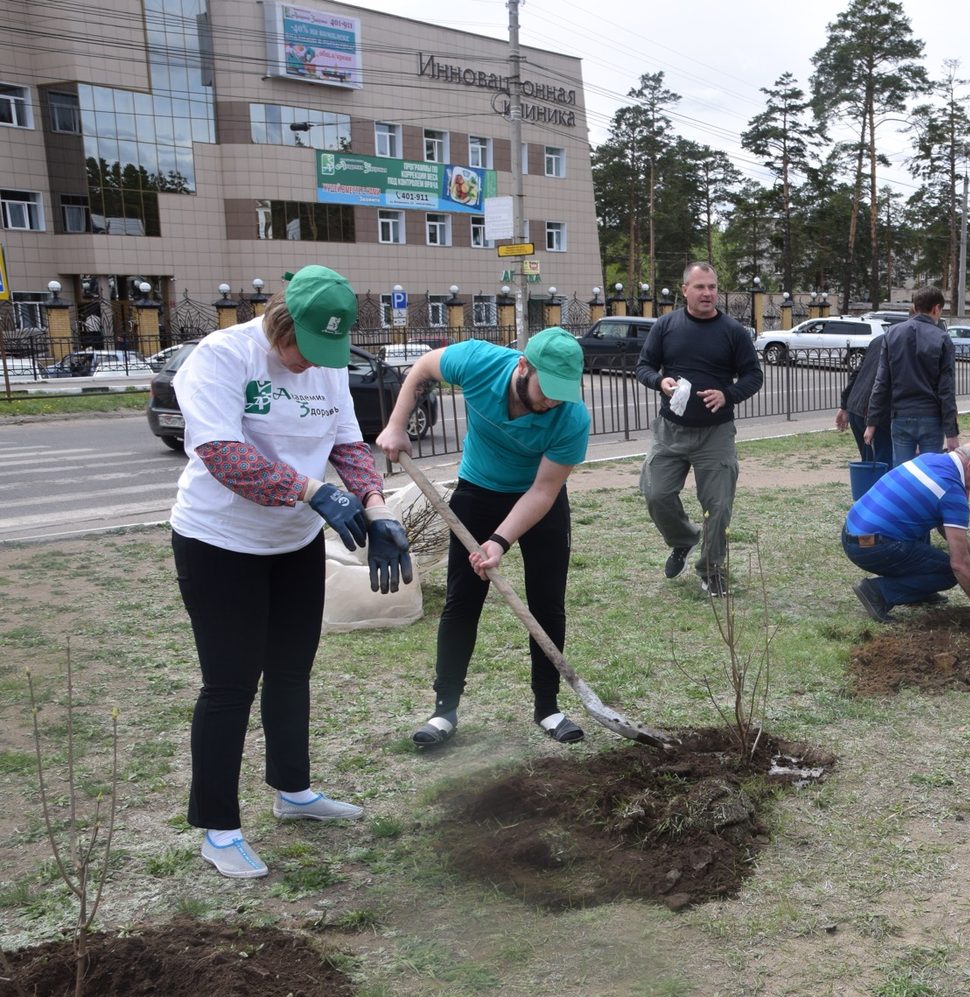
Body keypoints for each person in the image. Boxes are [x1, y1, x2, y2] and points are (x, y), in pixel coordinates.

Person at [169, 264, 414, 880]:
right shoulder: (223, 358)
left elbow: (348, 446)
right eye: (303, 348)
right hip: (220, 542)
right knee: (229, 685)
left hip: (293, 542)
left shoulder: (326, 364)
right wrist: (312, 492)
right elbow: (224, 455)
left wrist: (378, 511)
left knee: (290, 672)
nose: (311, 363)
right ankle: (219, 829)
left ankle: (293, 791)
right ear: (281, 321)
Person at [377, 327, 590, 749]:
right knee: (462, 600)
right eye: (547, 390)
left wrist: (500, 540)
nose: (551, 402)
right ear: (523, 366)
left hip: (537, 499)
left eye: (562, 394)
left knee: (547, 602)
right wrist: (397, 425)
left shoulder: (572, 417)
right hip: (479, 489)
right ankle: (444, 710)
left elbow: (544, 491)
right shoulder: (478, 362)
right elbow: (423, 368)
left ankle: (547, 707)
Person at [635, 262, 764, 597]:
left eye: (712, 287)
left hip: (715, 433)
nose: (707, 293)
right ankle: (683, 540)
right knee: (656, 494)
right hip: (671, 430)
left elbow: (753, 376)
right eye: (700, 287)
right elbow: (644, 366)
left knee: (718, 507)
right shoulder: (666, 326)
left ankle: (711, 570)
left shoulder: (732, 331)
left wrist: (727, 394)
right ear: (685, 290)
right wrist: (658, 381)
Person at [845, 442, 970, 624]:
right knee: (948, 573)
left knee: (922, 534)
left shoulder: (929, 459)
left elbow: (943, 524)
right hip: (873, 546)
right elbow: (959, 564)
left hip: (851, 536)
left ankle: (919, 590)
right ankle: (878, 592)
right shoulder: (952, 490)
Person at [864, 287, 958, 468]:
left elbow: (881, 383)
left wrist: (872, 423)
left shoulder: (891, 334)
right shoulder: (943, 338)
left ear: (914, 307)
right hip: (931, 417)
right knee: (930, 473)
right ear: (936, 309)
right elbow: (946, 390)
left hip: (901, 416)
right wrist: (951, 433)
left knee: (902, 474)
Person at [836, 332, 891, 464]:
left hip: (856, 406)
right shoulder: (902, 341)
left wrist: (844, 405)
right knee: (882, 466)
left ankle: (867, 483)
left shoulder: (879, 339)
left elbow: (857, 373)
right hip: (874, 413)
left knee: (869, 463)